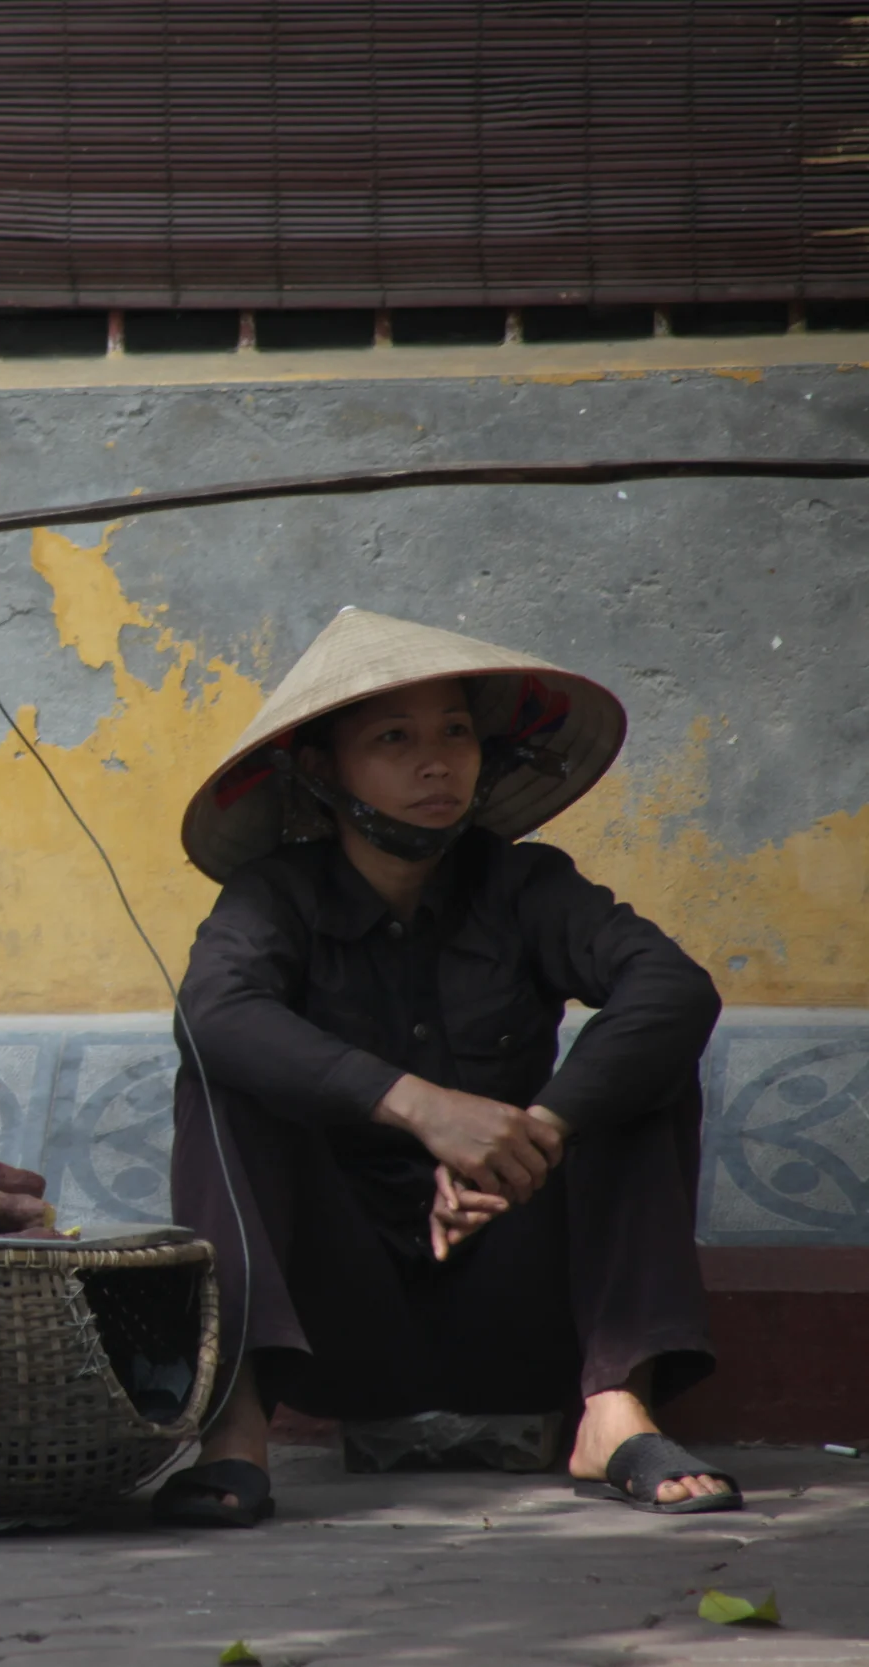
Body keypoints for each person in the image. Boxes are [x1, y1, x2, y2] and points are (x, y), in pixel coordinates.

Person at [150, 607, 737, 1527]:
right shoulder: (275, 898)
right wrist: (419, 1106)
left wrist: (533, 1134)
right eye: (394, 739)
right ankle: (234, 1429)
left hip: (525, 1310)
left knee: (645, 1062)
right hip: (343, 1330)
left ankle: (615, 1408)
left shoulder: (527, 886)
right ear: (321, 768)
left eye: (455, 734)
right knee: (223, 1075)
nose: (436, 763)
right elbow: (213, 1016)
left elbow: (673, 986)